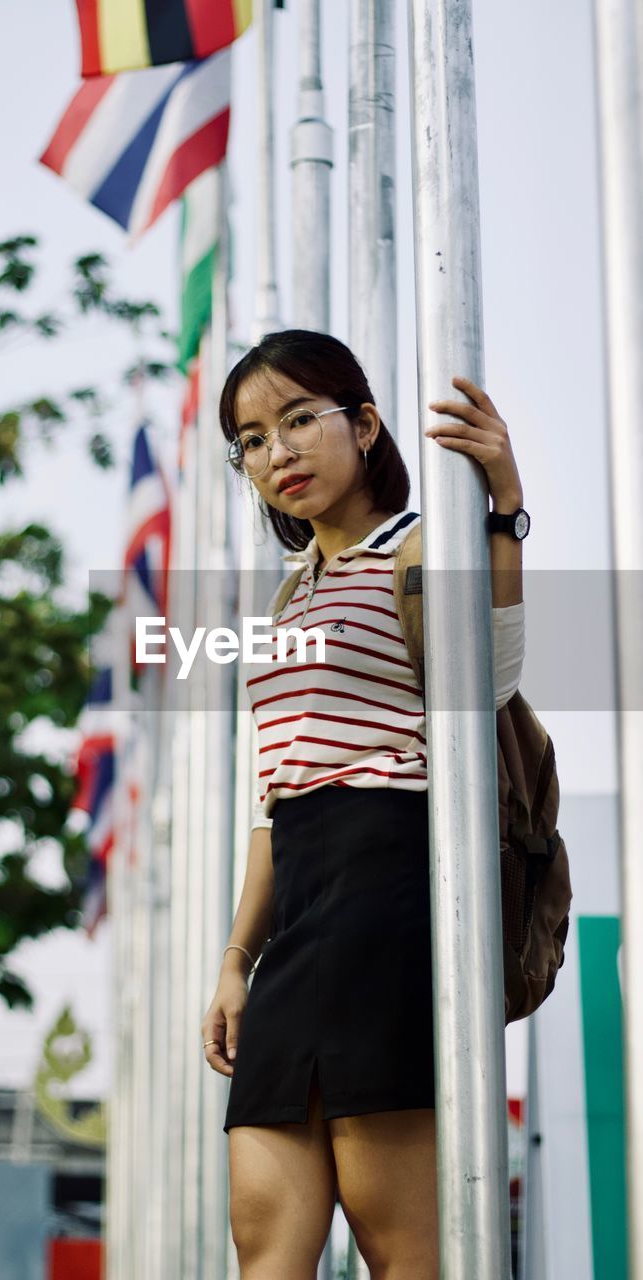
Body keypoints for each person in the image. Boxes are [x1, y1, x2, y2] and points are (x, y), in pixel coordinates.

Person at [201, 329, 527, 1280]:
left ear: (365, 424)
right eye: (252, 439)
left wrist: (502, 505)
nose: (278, 452)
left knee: (405, 1254)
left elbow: (494, 681)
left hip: (387, 899)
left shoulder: (419, 547)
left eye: (299, 419)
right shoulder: (284, 597)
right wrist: (235, 961)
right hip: (298, 910)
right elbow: (274, 794)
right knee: (265, 1252)